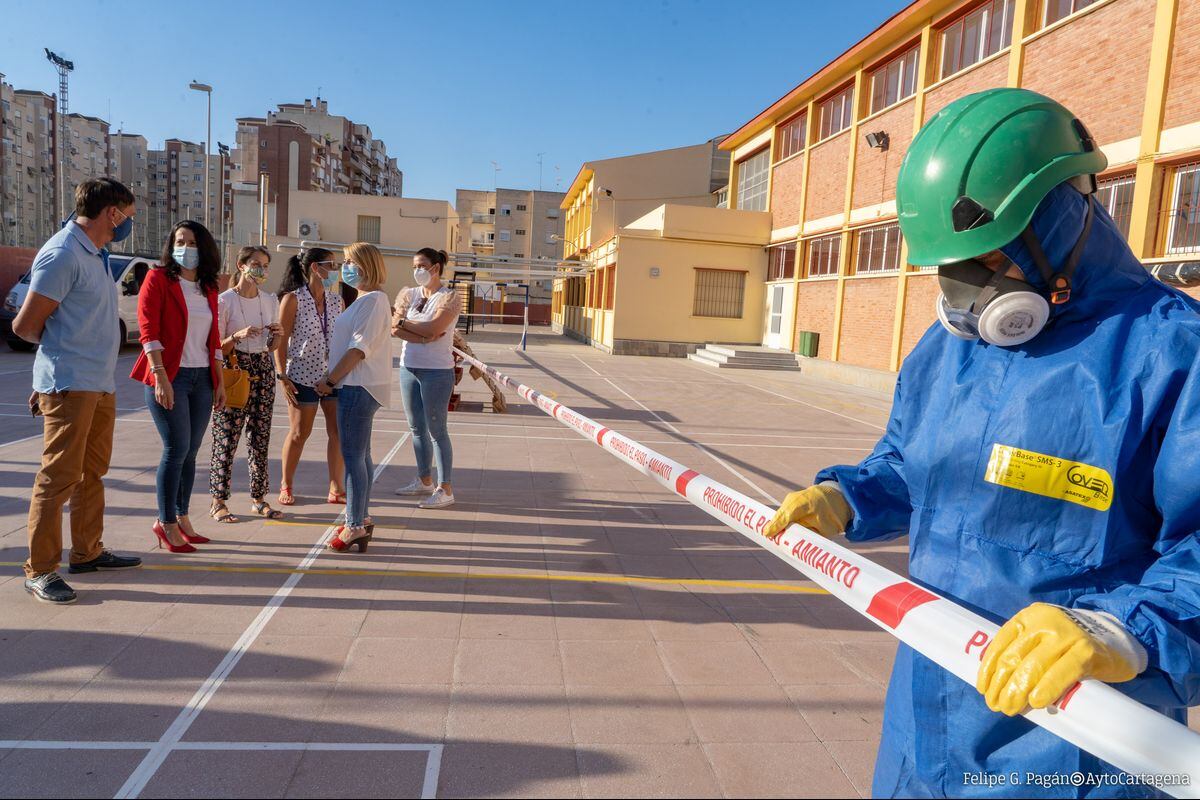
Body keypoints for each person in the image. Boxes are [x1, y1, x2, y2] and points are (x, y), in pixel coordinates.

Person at [763, 88, 1200, 798]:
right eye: (950, 264)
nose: (965, 287)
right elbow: (911, 463)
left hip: (1071, 754)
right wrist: (848, 496)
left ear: (1059, 216)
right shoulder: (945, 349)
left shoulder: (1173, 354)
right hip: (925, 725)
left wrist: (1122, 630)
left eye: (983, 257)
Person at [13, 178, 144, 604]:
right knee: (58, 478)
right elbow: (25, 326)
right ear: (112, 214)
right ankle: (41, 569)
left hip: (98, 383)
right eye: (128, 215)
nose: (129, 223)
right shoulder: (63, 253)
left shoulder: (97, 253)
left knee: (91, 473)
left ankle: (87, 552)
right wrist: (52, 373)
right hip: (71, 385)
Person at [130, 220, 225, 554]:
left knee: (191, 451)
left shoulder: (209, 287)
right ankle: (165, 521)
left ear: (205, 248)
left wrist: (220, 380)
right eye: (180, 241)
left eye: (193, 242)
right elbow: (147, 330)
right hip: (170, 375)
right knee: (176, 449)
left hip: (202, 378)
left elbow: (213, 339)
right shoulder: (158, 279)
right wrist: (160, 377)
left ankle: (183, 518)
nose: (186, 248)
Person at [314, 243, 392, 552]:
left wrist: (330, 380)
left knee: (353, 458)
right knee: (361, 456)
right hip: (356, 386)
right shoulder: (364, 300)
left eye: (350, 262)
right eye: (344, 262)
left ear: (367, 266)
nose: (344, 268)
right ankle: (360, 517)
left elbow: (359, 349)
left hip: (357, 386)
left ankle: (354, 524)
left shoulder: (372, 301)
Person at [209, 246, 283, 523]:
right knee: (226, 436)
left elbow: (273, 345)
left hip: (262, 367)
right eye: (255, 264)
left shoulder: (270, 300)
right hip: (234, 368)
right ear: (241, 266)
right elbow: (217, 347)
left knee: (260, 437)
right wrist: (237, 336)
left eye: (265, 265)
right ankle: (218, 501)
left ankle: (259, 498)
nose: (260, 270)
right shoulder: (225, 301)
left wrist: (278, 335)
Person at [274, 247, 346, 506]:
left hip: (332, 376)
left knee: (337, 432)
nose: (336, 270)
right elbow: (280, 341)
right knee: (299, 433)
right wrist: (282, 376)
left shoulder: (337, 300)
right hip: (301, 376)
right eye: (332, 265)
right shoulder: (293, 299)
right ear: (316, 267)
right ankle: (286, 483)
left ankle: (336, 486)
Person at [391, 247, 460, 509]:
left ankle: (446, 488)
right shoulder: (408, 294)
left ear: (436, 267)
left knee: (437, 430)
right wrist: (422, 335)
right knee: (416, 428)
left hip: (437, 371)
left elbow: (435, 328)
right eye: (414, 266)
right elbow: (395, 328)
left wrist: (410, 327)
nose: (417, 271)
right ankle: (424, 480)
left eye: (422, 265)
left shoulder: (449, 297)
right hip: (409, 367)